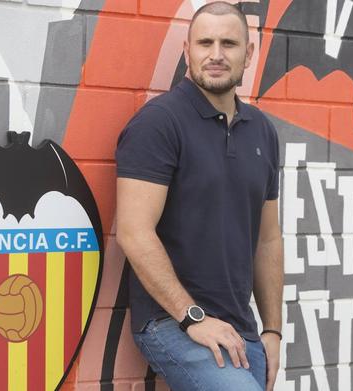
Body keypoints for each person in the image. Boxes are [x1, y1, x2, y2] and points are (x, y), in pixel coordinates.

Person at [115, 2, 284, 390]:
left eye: (229, 43)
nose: (217, 54)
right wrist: (192, 316)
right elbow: (134, 232)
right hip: (171, 321)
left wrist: (272, 330)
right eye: (205, 42)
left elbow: (268, 237)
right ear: (187, 50)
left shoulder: (262, 131)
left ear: (249, 53)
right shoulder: (159, 123)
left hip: (241, 328)